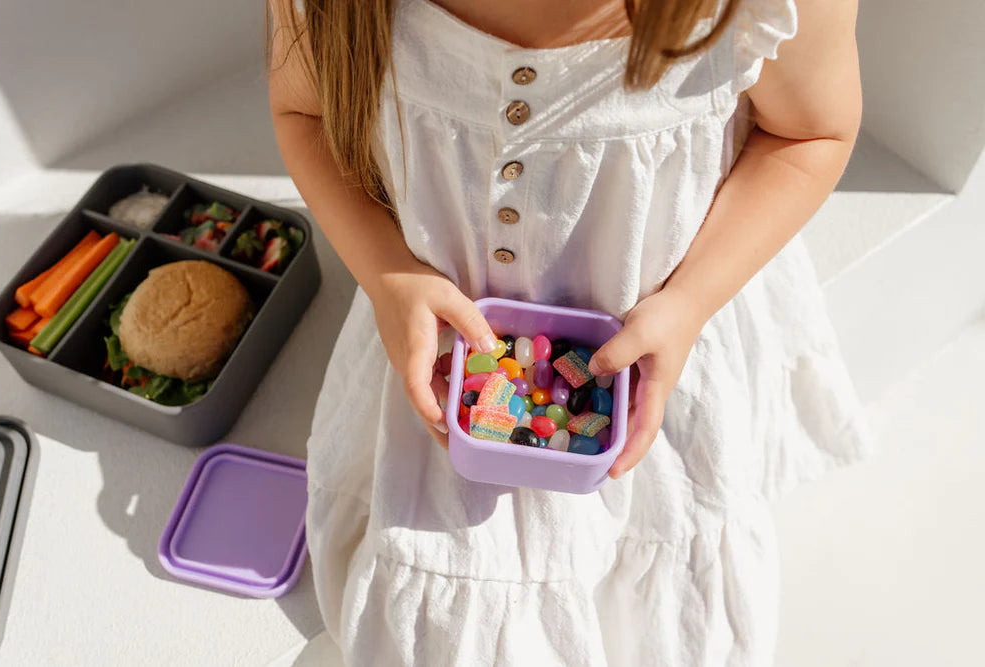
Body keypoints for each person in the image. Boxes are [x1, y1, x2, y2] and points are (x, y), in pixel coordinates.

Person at [268, 0, 871, 663]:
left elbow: (811, 134)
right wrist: (387, 276)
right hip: (434, 349)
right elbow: (306, 114)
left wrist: (691, 302)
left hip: (664, 351)